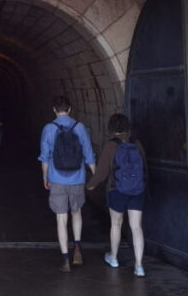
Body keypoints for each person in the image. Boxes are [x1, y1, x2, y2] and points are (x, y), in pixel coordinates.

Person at [39, 95, 96, 272]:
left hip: (57, 178)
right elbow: (89, 154)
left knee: (61, 218)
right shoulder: (79, 127)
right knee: (76, 212)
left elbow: (45, 157)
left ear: (54, 110)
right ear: (70, 109)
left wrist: (45, 177)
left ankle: (65, 259)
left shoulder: (49, 128)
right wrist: (96, 176)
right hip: (77, 177)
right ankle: (77, 247)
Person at [87, 111, 147, 276]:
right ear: (127, 127)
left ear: (111, 127)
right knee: (136, 227)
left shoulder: (111, 145)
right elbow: (144, 168)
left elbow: (102, 172)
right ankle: (139, 266)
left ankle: (113, 257)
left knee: (116, 225)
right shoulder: (137, 143)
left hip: (117, 190)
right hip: (137, 190)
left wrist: (91, 185)